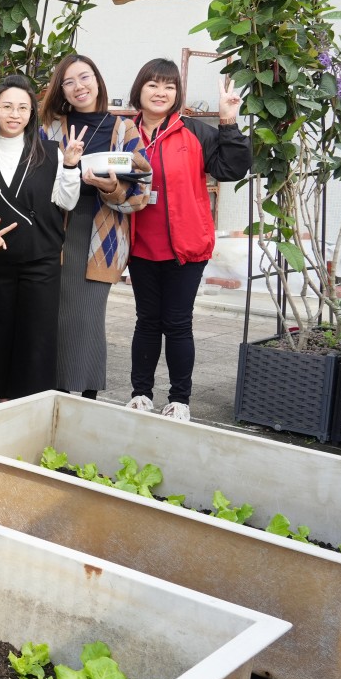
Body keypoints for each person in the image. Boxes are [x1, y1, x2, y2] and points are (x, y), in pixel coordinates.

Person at [126, 61, 251, 420]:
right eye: (153, 84)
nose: (161, 92)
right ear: (140, 89)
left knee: (178, 323)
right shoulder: (125, 132)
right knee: (147, 321)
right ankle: (140, 394)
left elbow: (231, 168)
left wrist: (228, 120)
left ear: (177, 93)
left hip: (186, 247)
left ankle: (180, 399)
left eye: (169, 86)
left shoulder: (194, 131)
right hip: (140, 245)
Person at [38, 55, 148, 400]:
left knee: (87, 316)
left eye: (84, 78)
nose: (79, 87)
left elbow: (142, 189)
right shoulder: (51, 128)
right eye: (69, 82)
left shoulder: (123, 129)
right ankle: (54, 391)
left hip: (102, 231)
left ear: (98, 81)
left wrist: (111, 187)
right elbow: (35, 177)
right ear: (61, 91)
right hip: (55, 229)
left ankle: (87, 396)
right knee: (54, 314)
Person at [0, 76, 82, 401]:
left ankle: (31, 405)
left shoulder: (50, 152)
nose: (14, 114)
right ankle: (3, 403)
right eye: (7, 106)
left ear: (32, 112)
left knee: (36, 337)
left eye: (22, 107)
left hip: (41, 259)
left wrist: (70, 166)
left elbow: (67, 201)